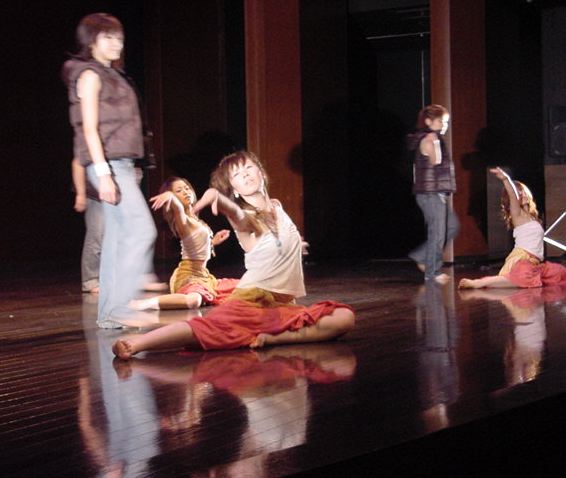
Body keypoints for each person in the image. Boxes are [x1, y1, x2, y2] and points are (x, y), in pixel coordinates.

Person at [112, 151, 355, 358]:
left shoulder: (277, 206)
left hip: (282, 305)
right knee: (206, 328)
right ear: (234, 189)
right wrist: (218, 198)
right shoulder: (246, 218)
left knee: (344, 317)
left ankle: (273, 339)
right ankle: (138, 343)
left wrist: (296, 244)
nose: (245, 175)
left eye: (248, 168)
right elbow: (236, 214)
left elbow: (279, 239)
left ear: (261, 172)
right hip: (253, 300)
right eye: (237, 175)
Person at [62, 13, 157, 328]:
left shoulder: (113, 74)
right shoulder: (89, 75)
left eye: (119, 37)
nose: (117, 43)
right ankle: (122, 305)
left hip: (122, 165)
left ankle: (108, 314)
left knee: (116, 240)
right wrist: (103, 174)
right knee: (142, 230)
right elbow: (88, 129)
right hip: (109, 166)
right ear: (91, 41)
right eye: (108, 37)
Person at [129, 176, 238, 310]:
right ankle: (143, 303)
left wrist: (213, 241)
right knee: (194, 301)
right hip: (188, 276)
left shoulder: (195, 219)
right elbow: (178, 208)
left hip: (204, 276)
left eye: (187, 188)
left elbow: (196, 247)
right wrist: (170, 196)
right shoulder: (182, 220)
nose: (186, 192)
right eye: (179, 191)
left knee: (247, 286)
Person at [459, 168, 566, 289]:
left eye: (523, 191)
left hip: (535, 263)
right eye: (519, 193)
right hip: (522, 259)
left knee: (560, 273)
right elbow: (513, 195)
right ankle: (479, 283)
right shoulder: (517, 215)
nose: (522, 194)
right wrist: (506, 179)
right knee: (524, 278)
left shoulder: (532, 217)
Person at [408, 104, 460, 284]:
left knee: (452, 226)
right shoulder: (428, 140)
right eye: (441, 121)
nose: (444, 125)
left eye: (446, 122)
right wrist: (435, 142)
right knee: (437, 233)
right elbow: (436, 161)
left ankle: (422, 257)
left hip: (436, 193)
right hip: (430, 194)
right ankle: (432, 272)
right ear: (429, 121)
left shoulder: (435, 138)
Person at [72, 157, 103, 293]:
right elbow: (78, 162)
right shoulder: (92, 144)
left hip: (116, 192)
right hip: (95, 193)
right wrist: (80, 194)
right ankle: (90, 280)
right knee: (96, 235)